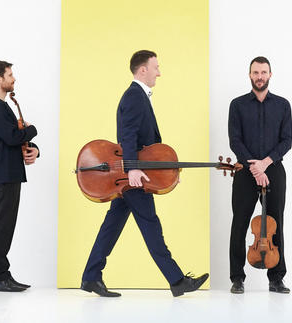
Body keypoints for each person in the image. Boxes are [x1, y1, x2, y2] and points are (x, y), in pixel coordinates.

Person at [80, 50, 209, 297]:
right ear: (143, 70)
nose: (159, 72)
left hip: (133, 176)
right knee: (151, 225)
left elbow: (148, 146)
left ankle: (90, 277)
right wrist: (132, 168)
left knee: (111, 227)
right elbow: (127, 134)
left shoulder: (139, 96)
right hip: (133, 177)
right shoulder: (134, 96)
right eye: (156, 67)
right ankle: (177, 280)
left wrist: (168, 171)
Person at [228, 56, 292, 294]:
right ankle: (237, 277)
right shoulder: (237, 105)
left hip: (273, 168)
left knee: (276, 224)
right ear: (249, 75)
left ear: (270, 75)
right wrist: (255, 168)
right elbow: (235, 140)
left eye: (263, 72)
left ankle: (276, 278)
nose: (260, 76)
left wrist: (265, 163)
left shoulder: (283, 105)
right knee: (240, 223)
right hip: (245, 170)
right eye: (255, 72)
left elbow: (287, 141)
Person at [0, 59, 39, 292]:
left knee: (6, 225)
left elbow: (14, 139)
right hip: (2, 174)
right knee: (2, 225)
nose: (13, 78)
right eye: (10, 74)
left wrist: (34, 148)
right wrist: (32, 129)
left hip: (9, 173)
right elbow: (12, 137)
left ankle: (3, 274)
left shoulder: (2, 106)